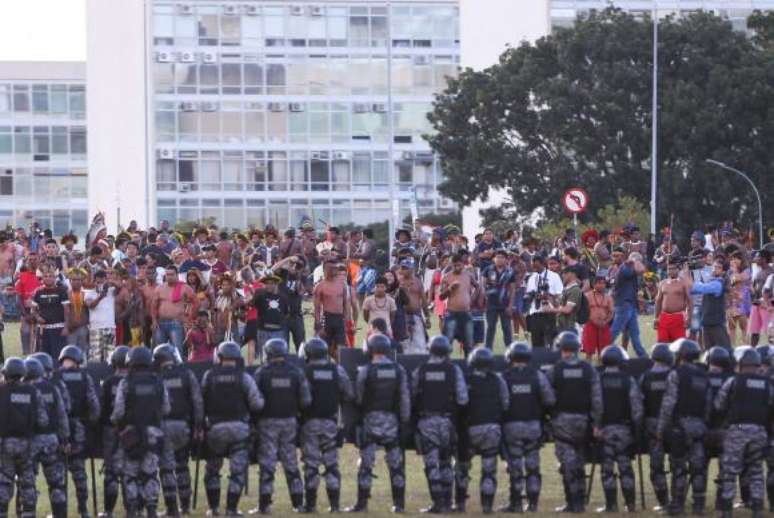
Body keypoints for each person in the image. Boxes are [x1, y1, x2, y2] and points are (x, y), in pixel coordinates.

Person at [346, 334, 410, 513]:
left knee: (366, 464)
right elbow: (404, 398)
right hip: (392, 423)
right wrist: (404, 422)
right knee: (396, 465)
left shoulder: (366, 371)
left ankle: (361, 504)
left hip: (370, 422)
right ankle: (399, 504)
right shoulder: (399, 370)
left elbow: (358, 397)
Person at [201, 341, 264, 516]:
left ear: (219, 357)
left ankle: (213, 509)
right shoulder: (244, 378)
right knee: (237, 472)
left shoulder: (209, 375)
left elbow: (200, 401)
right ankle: (231, 509)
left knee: (212, 471)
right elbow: (257, 404)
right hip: (239, 430)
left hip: (215, 430)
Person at [252, 338, 311, 514]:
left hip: (267, 423)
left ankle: (264, 505)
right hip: (290, 422)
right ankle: (298, 504)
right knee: (291, 463)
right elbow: (306, 400)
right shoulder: (296, 373)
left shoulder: (261, 373)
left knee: (267, 464)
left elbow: (254, 401)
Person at [110, 346, 171, 518]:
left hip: (131, 435)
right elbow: (166, 408)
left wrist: (116, 424)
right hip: (154, 433)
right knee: (151, 473)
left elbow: (118, 412)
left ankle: (132, 510)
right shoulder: (158, 382)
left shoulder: (125, 383)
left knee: (130, 474)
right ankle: (151, 509)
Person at [546, 331, 602, 513]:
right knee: (579, 462)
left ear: (561, 348)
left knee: (567, 464)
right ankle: (580, 501)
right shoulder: (588, 369)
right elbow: (597, 399)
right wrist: (596, 424)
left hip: (562, 423)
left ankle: (574, 503)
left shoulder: (555, 370)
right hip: (584, 423)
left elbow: (547, 398)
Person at [411, 335, 469, 513]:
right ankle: (448, 501)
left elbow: (412, 397)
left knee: (431, 464)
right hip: (447, 423)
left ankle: (437, 503)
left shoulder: (420, 371)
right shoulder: (454, 371)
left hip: (426, 423)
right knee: (445, 463)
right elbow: (463, 399)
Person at [715, 346, 772, 518]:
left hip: (736, 432)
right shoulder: (767, 384)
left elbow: (719, 404)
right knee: (755, 471)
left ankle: (726, 510)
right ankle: (757, 509)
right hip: (759, 432)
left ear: (741, 364)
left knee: (730, 471)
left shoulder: (733, 381)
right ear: (757, 364)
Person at [656, 338, 711, 516]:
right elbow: (708, 404)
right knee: (698, 467)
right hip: (699, 426)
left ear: (680, 356)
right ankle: (699, 505)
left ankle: (677, 504)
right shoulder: (704, 375)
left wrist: (661, 429)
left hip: (680, 426)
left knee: (679, 467)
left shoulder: (676, 374)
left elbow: (668, 403)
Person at [499, 341, 555, 513]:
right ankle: (533, 504)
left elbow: (503, 403)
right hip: (533, 426)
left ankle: (515, 503)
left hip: (512, 427)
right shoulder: (537, 376)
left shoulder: (504, 377)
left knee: (515, 466)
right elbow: (549, 400)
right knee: (533, 466)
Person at [299, 338, 354, 513]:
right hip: (331, 424)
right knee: (331, 464)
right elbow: (349, 394)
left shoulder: (305, 372)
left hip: (310, 424)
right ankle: (335, 506)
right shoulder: (337, 370)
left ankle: (310, 505)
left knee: (311, 465)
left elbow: (303, 399)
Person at [454, 347, 508, 514]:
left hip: (470, 429)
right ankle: (487, 506)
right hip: (492, 429)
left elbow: (461, 402)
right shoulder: (498, 380)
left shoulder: (466, 379)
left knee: (462, 467)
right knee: (489, 468)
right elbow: (506, 403)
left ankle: (460, 504)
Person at [153, 343, 204, 517]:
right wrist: (198, 426)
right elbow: (197, 401)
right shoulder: (186, 374)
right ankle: (186, 505)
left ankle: (171, 509)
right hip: (183, 427)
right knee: (182, 466)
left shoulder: (155, 377)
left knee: (166, 469)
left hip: (163, 427)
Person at [596, 345, 643, 513]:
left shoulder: (599, 379)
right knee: (625, 467)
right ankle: (630, 504)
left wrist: (596, 426)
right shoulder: (628, 379)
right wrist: (637, 429)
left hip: (605, 430)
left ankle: (611, 504)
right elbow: (636, 407)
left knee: (607, 468)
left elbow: (596, 405)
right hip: (624, 430)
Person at [56, 345, 100, 518]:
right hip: (79, 428)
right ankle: (84, 510)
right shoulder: (84, 377)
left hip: (58, 432)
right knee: (79, 472)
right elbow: (94, 406)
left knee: (58, 475)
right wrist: (89, 423)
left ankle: (60, 512)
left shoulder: (55, 376)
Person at [0, 357, 48, 517]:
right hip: (27, 446)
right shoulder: (33, 392)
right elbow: (43, 420)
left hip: (5, 446)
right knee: (28, 485)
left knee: (4, 483)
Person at [24, 356, 69, 518]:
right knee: (56, 483)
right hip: (51, 440)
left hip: (30, 442)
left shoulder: (24, 390)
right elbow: (63, 414)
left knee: (28, 483)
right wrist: (65, 439)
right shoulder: (52, 388)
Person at [640, 343, 674, 511]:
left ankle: (663, 502)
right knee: (678, 465)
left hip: (653, 427)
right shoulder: (674, 375)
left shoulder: (646, 377)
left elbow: (639, 403)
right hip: (674, 426)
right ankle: (677, 501)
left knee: (656, 467)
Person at [99, 346, 130, 518]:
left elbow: (102, 407)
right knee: (129, 471)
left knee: (110, 471)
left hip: (110, 430)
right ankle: (130, 510)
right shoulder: (133, 381)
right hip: (131, 431)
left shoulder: (109, 382)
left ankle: (109, 511)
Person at [704, 346, 733, 511]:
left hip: (704, 430)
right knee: (725, 470)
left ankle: (698, 504)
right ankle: (721, 503)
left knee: (699, 468)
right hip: (726, 431)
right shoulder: (732, 379)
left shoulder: (702, 377)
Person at [609, 247, 647, 358]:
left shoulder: (628, 268)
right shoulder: (625, 268)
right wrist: (635, 260)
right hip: (623, 304)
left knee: (635, 334)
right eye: (639, 261)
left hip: (630, 304)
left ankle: (643, 356)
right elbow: (641, 269)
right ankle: (603, 348)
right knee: (615, 330)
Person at [686, 258, 732, 348]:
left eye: (718, 267)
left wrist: (687, 275)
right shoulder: (710, 282)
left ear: (723, 272)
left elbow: (700, 288)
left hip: (717, 324)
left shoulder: (718, 283)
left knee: (724, 351)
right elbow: (692, 290)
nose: (715, 269)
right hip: (707, 323)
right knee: (709, 352)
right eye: (714, 266)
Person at [153, 265, 195, 357]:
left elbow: (196, 303)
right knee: (160, 351)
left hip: (176, 323)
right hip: (160, 323)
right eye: (167, 275)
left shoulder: (184, 287)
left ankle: (178, 370)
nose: (169, 277)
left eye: (172, 274)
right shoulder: (159, 288)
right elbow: (154, 306)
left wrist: (190, 318)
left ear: (177, 275)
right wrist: (154, 320)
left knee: (177, 351)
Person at [30, 267, 70, 360]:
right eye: (46, 276)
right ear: (42, 278)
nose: (48, 278)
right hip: (43, 330)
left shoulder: (62, 291)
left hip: (58, 328)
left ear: (55, 277)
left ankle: (57, 374)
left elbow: (67, 310)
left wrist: (66, 327)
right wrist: (37, 317)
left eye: (51, 276)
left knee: (58, 356)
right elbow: (33, 309)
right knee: (43, 356)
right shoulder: (38, 292)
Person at [314, 260, 350, 359]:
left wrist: (347, 320)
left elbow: (345, 303)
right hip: (327, 318)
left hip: (339, 319)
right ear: (325, 270)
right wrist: (318, 324)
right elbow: (316, 308)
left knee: (341, 349)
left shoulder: (342, 285)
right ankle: (327, 368)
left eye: (335, 268)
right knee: (325, 349)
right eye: (331, 268)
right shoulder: (320, 286)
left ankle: (340, 371)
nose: (334, 270)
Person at [440, 254, 476, 355]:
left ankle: (468, 367)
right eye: (455, 265)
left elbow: (478, 287)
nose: (457, 268)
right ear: (451, 265)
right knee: (447, 344)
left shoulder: (468, 275)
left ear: (463, 265)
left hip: (466, 313)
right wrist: (450, 288)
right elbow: (441, 297)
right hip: (451, 313)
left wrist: (473, 298)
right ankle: (446, 366)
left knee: (469, 344)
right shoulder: (447, 277)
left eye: (459, 265)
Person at [524, 255, 562, 349]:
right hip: (535, 313)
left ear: (542, 264)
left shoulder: (554, 276)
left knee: (550, 343)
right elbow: (528, 294)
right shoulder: (532, 277)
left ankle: (551, 362)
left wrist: (548, 296)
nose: (534, 268)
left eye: (536, 266)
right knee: (536, 344)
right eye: (533, 266)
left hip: (549, 313)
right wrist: (531, 296)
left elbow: (560, 295)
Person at [252, 274, 289, 363]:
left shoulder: (283, 297)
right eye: (266, 283)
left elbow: (286, 313)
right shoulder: (260, 296)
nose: (268, 285)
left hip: (278, 331)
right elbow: (252, 305)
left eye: (271, 283)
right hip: (263, 331)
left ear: (276, 284)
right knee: (264, 359)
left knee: (279, 356)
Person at [482, 249, 515, 349]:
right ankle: (487, 351)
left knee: (507, 329)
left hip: (505, 304)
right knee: (490, 328)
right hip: (491, 304)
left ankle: (510, 351)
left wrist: (510, 306)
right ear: (493, 259)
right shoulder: (488, 270)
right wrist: (484, 300)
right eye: (497, 257)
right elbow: (482, 286)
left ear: (506, 259)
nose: (499, 259)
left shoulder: (510, 272)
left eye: (502, 257)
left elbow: (512, 290)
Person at [398, 258, 430, 354]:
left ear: (411, 269)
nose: (403, 270)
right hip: (403, 316)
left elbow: (424, 301)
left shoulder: (417, 282)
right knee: (405, 343)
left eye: (406, 268)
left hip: (416, 315)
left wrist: (427, 317)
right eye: (402, 268)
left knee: (420, 343)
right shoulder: (398, 282)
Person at [655, 261, 692, 342]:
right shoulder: (662, 283)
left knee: (679, 346)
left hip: (678, 318)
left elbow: (689, 301)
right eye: (669, 269)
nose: (670, 271)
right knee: (662, 345)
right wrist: (656, 318)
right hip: (664, 317)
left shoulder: (683, 283)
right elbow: (658, 301)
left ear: (678, 270)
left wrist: (689, 317)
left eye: (673, 269)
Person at [84, 269, 117, 362]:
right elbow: (90, 305)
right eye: (98, 282)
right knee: (95, 357)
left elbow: (121, 285)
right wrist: (100, 296)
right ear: (94, 282)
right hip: (95, 328)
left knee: (110, 357)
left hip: (110, 327)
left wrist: (110, 282)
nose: (100, 284)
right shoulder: (89, 293)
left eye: (102, 282)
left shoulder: (111, 291)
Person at [582, 275, 614, 359]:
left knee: (604, 352)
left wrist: (605, 322)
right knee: (589, 351)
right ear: (594, 284)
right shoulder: (587, 296)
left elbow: (611, 312)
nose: (602, 285)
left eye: (603, 283)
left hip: (604, 325)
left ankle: (603, 369)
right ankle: (588, 369)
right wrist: (593, 320)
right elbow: (584, 311)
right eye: (599, 283)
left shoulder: (608, 298)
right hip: (590, 324)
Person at [547, 265, 583, 333]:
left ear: (571, 274)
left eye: (564, 273)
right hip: (561, 326)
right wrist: (550, 298)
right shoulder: (566, 289)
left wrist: (551, 310)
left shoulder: (575, 290)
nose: (563, 276)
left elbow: (567, 309)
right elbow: (560, 306)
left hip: (569, 327)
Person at [749, 251, 773, 346]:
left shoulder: (771, 272)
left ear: (764, 259)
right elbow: (755, 289)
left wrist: (766, 303)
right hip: (756, 304)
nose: (755, 259)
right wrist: (754, 300)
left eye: (757, 257)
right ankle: (752, 351)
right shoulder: (758, 272)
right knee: (754, 331)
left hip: (767, 304)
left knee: (770, 331)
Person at [65, 268, 90, 351]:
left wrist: (81, 323)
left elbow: (88, 311)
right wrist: (68, 325)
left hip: (83, 327)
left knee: (83, 353)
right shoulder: (65, 294)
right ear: (70, 281)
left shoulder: (86, 294)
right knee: (70, 352)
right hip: (70, 329)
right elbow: (64, 312)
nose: (77, 282)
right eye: (74, 280)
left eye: (79, 280)